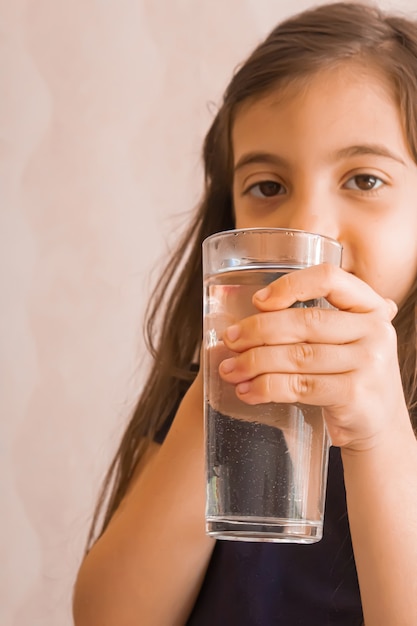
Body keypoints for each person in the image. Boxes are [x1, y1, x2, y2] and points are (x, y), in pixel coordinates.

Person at [72, 2, 417, 624]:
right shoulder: (205, 385)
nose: (306, 227)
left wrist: (379, 436)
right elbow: (111, 616)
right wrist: (219, 391)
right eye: (267, 187)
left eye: (364, 180)